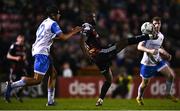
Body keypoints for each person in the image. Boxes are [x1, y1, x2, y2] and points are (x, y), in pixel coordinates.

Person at [4, 5, 81, 106]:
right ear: (53, 15)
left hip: (40, 50)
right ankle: (12, 85)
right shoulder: (53, 23)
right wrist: (74, 32)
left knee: (53, 73)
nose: (59, 15)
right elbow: (64, 38)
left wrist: (69, 33)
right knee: (37, 80)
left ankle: (50, 101)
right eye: (58, 13)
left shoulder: (44, 22)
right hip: (41, 52)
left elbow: (51, 38)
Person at [79, 12, 157, 106]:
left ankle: (100, 100)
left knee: (109, 79)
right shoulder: (87, 25)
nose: (95, 18)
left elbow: (85, 41)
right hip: (101, 53)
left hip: (98, 58)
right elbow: (81, 42)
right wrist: (87, 56)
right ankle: (148, 36)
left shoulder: (89, 27)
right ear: (89, 17)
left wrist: (90, 56)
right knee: (124, 41)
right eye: (93, 16)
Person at [136, 16, 178, 106]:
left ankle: (167, 93)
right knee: (145, 84)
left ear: (161, 24)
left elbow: (158, 48)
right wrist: (150, 51)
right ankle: (139, 97)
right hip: (147, 63)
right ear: (152, 24)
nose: (157, 25)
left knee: (170, 76)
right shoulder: (147, 35)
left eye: (158, 23)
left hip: (158, 61)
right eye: (155, 23)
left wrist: (166, 53)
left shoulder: (161, 36)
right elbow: (139, 47)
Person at [6, 34, 28, 102]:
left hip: (21, 67)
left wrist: (25, 58)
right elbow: (8, 56)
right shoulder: (14, 46)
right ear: (17, 39)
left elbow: (24, 55)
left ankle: (18, 94)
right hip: (14, 67)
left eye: (23, 39)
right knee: (11, 82)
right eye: (21, 39)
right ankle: (7, 97)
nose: (22, 41)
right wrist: (15, 58)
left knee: (25, 81)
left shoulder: (24, 47)